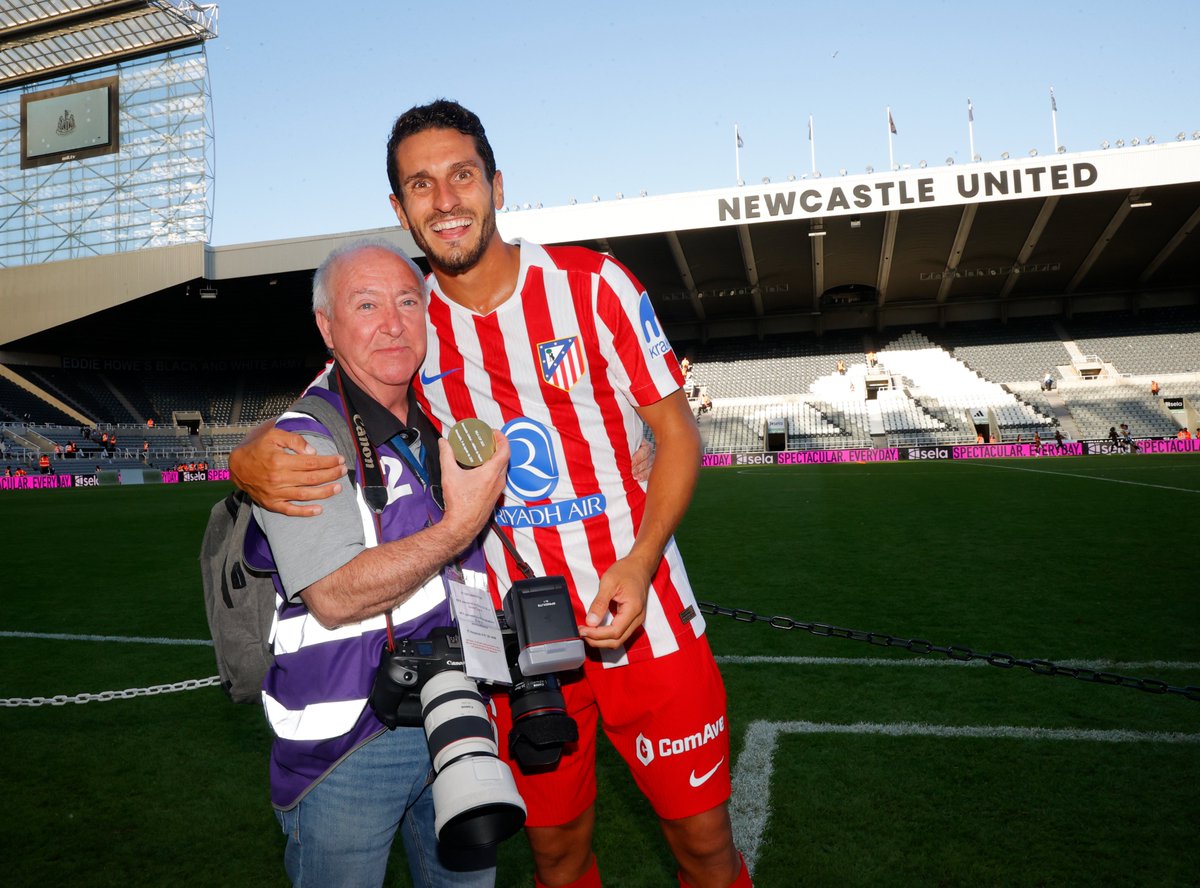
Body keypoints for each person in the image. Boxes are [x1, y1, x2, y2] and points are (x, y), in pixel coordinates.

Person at [234, 100, 749, 888]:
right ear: (400, 209)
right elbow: (323, 406)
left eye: (461, 175)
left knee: (705, 844)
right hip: (516, 648)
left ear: (497, 185)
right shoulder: (414, 322)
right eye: (420, 184)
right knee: (555, 853)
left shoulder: (594, 286)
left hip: (649, 619)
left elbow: (678, 434)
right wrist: (244, 460)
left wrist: (642, 561)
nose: (445, 200)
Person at [245, 240, 509, 888]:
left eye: (407, 302)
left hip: (455, 713)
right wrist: (460, 526)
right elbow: (334, 595)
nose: (393, 322)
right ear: (328, 327)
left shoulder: (439, 423)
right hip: (348, 751)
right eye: (366, 305)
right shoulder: (303, 441)